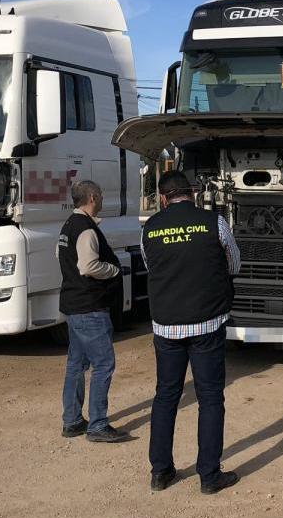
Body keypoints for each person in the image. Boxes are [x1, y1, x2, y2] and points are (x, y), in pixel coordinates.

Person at [143, 170, 241, 495]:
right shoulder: (215, 223)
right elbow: (234, 265)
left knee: (166, 396)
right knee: (210, 398)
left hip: (166, 326)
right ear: (193, 193)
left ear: (162, 198)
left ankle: (160, 472)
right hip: (207, 324)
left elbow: (151, 265)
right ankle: (209, 476)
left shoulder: (149, 229)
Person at [57, 180, 131, 443]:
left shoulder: (67, 226)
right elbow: (88, 266)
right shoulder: (86, 229)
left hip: (74, 305)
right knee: (103, 364)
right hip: (90, 307)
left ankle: (73, 420)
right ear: (91, 197)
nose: (101, 199)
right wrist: (114, 270)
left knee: (76, 365)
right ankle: (98, 424)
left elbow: (62, 258)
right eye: (99, 195)